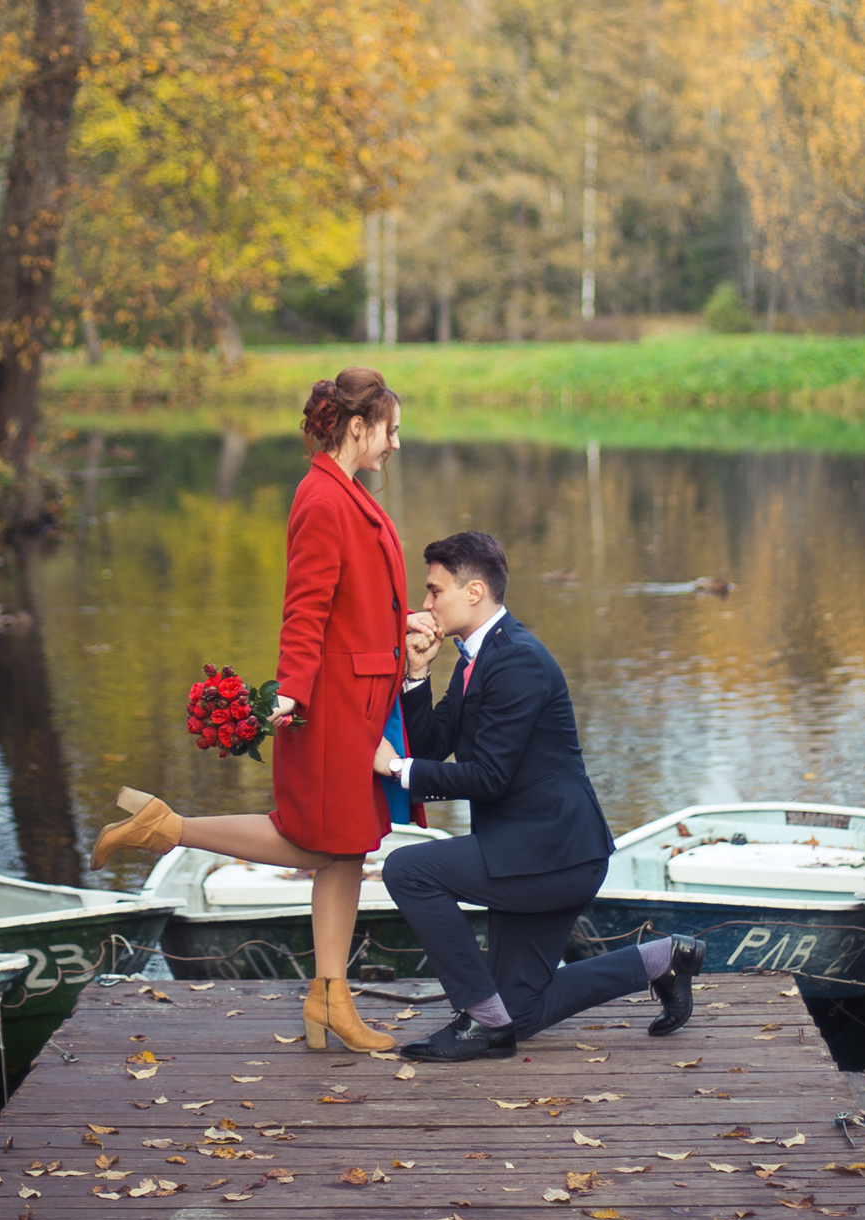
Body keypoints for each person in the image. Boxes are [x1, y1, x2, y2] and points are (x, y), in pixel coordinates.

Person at [90, 367, 415, 1055]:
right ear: (357, 427)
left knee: (344, 848)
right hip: (329, 707)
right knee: (315, 839)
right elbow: (306, 604)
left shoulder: (346, 492)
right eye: (390, 428)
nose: (395, 442)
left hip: (360, 699)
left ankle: (330, 998)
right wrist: (293, 689)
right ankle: (169, 826)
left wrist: (403, 630)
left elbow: (358, 600)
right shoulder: (322, 498)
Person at [377, 531, 703, 1062]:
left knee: (409, 872)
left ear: (475, 591)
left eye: (435, 592)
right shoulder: (473, 661)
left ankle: (478, 1018)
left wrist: (394, 767)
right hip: (525, 852)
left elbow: (488, 778)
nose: (426, 604)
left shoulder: (518, 661)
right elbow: (435, 744)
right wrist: (417, 674)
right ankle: (663, 960)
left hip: (553, 855)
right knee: (518, 1014)